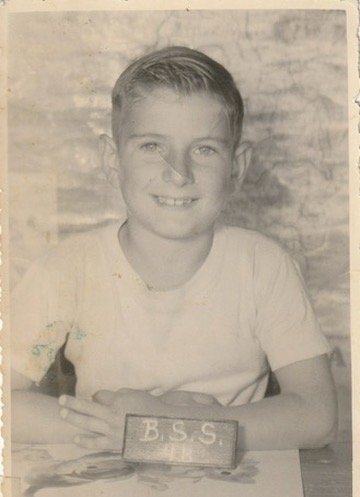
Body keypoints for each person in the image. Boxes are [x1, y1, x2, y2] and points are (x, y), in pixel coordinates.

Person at [11, 46, 337, 452]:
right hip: (102, 479)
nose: (178, 173)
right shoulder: (65, 269)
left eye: (204, 149)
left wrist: (166, 431)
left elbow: (317, 416)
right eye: (152, 146)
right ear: (112, 161)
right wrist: (121, 433)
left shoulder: (264, 268)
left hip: (232, 495)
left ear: (237, 167)